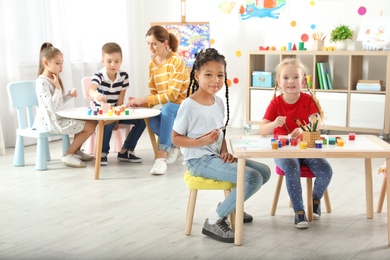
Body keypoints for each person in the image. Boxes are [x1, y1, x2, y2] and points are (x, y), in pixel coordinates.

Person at [172, 48, 271, 243]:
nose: (215, 80)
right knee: (252, 178)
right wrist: (201, 142)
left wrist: (224, 151)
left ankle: (230, 205)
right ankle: (215, 219)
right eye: (208, 75)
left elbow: (221, 133)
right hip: (198, 160)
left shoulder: (218, 102)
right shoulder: (189, 105)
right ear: (197, 75)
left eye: (220, 75)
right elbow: (175, 138)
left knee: (264, 172)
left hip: (215, 157)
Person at [259, 58, 333, 229]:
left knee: (326, 170)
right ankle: (299, 212)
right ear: (278, 81)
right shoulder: (276, 103)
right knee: (292, 168)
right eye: (285, 78)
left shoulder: (307, 100)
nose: (290, 81)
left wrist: (305, 129)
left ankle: (314, 200)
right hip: (284, 152)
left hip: (307, 149)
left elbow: (318, 123)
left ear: (303, 80)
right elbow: (262, 130)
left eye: (295, 77)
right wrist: (273, 124)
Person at [127, 25, 189, 175]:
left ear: (165, 43)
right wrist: (139, 103)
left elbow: (172, 96)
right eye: (148, 43)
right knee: (150, 118)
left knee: (167, 107)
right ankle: (174, 145)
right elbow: (154, 94)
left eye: (154, 43)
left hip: (184, 107)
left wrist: (143, 99)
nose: (151, 47)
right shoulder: (152, 64)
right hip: (169, 107)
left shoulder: (176, 61)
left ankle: (161, 157)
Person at [33, 42, 97, 168]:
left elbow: (56, 103)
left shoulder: (53, 78)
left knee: (90, 121)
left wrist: (68, 95)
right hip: (51, 121)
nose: (61, 66)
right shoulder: (41, 82)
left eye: (62, 62)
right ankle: (68, 154)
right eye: (57, 63)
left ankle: (76, 151)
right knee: (89, 127)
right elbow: (51, 107)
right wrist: (57, 87)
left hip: (56, 117)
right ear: (46, 63)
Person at [88, 42, 146, 166]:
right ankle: (102, 152)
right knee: (108, 121)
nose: (113, 64)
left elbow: (120, 101)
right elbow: (90, 90)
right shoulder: (99, 76)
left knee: (142, 121)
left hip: (116, 112)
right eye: (109, 61)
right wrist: (96, 95)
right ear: (103, 61)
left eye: (116, 61)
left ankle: (126, 150)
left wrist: (118, 120)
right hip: (103, 114)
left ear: (121, 61)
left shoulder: (124, 76)